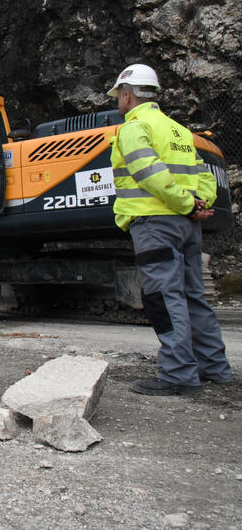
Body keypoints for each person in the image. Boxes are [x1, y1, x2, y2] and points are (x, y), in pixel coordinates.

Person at [107, 63, 232, 395]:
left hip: (155, 224)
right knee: (194, 296)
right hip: (187, 226)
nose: (117, 101)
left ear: (127, 94)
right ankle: (214, 367)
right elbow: (202, 175)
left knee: (164, 297)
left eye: (118, 95)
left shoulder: (134, 128)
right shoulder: (178, 131)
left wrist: (185, 204)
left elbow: (149, 173)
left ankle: (177, 374)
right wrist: (198, 205)